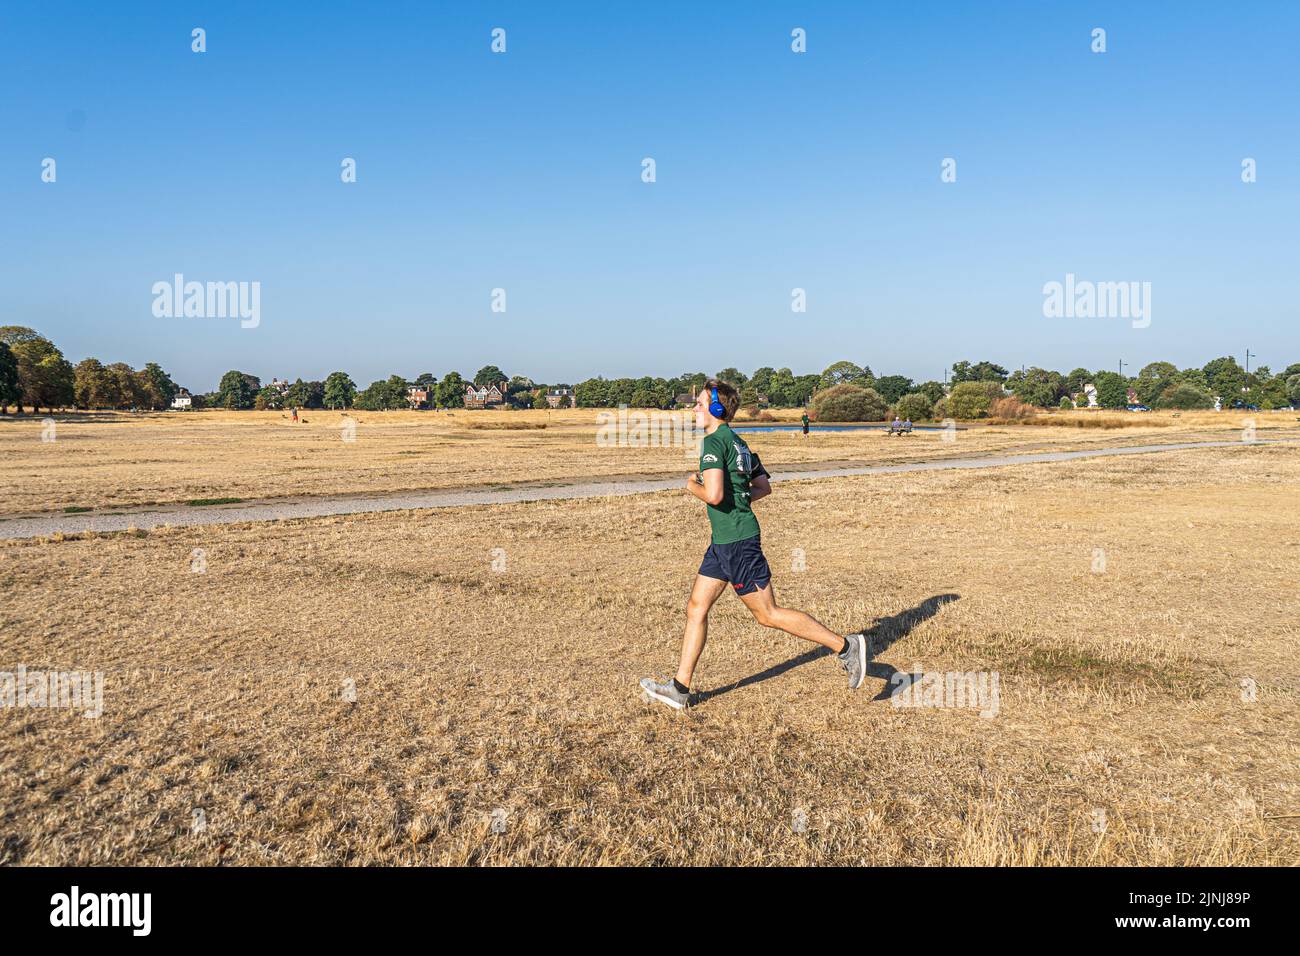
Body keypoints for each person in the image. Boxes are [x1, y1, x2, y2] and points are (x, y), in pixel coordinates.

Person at [639, 380, 867, 710]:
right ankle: (679, 689)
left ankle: (846, 647)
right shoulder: (739, 444)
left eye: (700, 403)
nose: (694, 409)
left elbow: (714, 495)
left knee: (768, 614)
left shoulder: (713, 444)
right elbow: (761, 486)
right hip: (723, 542)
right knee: (696, 607)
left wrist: (692, 485)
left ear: (717, 409)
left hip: (738, 543)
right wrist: (739, 498)